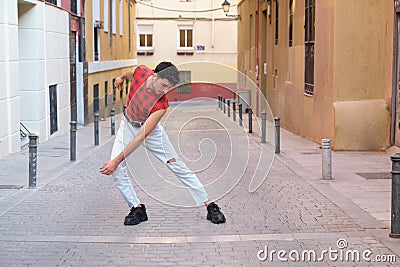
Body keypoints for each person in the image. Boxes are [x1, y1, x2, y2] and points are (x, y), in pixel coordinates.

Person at [100, 61, 226, 225]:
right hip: (127, 125)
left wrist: (116, 160)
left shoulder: (161, 104)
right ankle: (136, 208)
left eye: (169, 88)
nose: (165, 91)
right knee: (116, 169)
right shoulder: (141, 71)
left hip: (150, 132)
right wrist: (121, 77)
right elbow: (131, 73)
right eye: (164, 85)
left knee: (177, 165)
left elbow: (140, 137)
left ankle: (210, 205)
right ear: (154, 76)